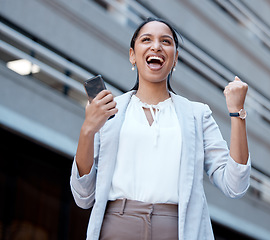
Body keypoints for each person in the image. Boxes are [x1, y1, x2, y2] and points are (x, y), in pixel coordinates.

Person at [70, 17, 251, 240]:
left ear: (175, 59)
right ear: (132, 55)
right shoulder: (109, 112)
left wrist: (237, 112)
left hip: (178, 230)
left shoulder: (197, 115)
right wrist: (88, 129)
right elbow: (83, 196)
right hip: (117, 227)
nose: (156, 46)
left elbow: (235, 185)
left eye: (166, 41)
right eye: (147, 39)